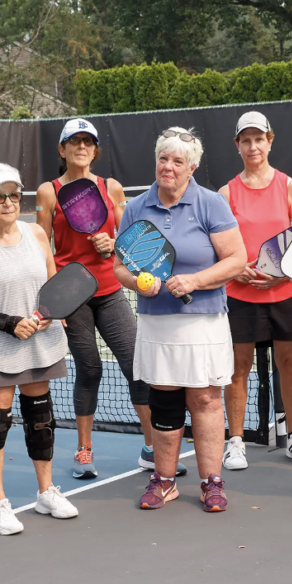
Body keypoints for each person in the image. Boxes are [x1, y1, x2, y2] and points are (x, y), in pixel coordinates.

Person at [36, 119, 184, 479]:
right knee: (89, 369)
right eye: (74, 142)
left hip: (110, 290)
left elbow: (128, 238)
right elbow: (41, 245)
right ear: (63, 149)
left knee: (137, 367)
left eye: (88, 142)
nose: (81, 147)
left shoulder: (111, 187)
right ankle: (84, 452)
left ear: (95, 149)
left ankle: (152, 449)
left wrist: (111, 243)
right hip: (73, 296)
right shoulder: (49, 191)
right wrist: (53, 299)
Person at [114, 127, 246, 512]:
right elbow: (120, 266)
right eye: (162, 159)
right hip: (157, 321)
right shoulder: (136, 208)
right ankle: (165, 481)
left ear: (191, 167)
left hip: (203, 320)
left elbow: (236, 260)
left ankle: (212, 482)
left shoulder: (210, 204)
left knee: (205, 399)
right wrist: (139, 282)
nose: (168, 167)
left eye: (177, 161)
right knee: (165, 401)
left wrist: (196, 280)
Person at [0, 164, 79, 535]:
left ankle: (46, 492)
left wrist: (54, 314)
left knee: (41, 419)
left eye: (13, 195)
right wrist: (8, 322)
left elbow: (54, 285)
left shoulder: (37, 233)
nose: (8, 203)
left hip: (42, 343)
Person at [219, 111, 292, 470]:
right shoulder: (226, 192)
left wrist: (283, 275)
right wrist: (237, 267)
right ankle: (236, 442)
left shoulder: (289, 186)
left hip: (285, 292)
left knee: (289, 364)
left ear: (270, 141)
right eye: (246, 140)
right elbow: (221, 245)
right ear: (238, 145)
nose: (253, 146)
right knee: (237, 368)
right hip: (240, 295)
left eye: (259, 139)